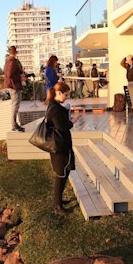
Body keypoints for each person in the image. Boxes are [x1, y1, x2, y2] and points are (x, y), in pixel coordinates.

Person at [45, 82, 75, 215]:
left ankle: (59, 201)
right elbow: (61, 126)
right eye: (66, 95)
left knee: (65, 172)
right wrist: (71, 123)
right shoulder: (55, 108)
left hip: (61, 146)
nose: (66, 97)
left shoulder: (56, 106)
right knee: (60, 175)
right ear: (58, 93)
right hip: (58, 147)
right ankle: (57, 206)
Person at [4, 45, 25, 132]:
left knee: (14, 105)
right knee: (15, 105)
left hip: (12, 85)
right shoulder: (12, 61)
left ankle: (14, 124)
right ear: (15, 52)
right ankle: (14, 125)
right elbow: (9, 74)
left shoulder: (8, 61)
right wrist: (19, 78)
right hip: (14, 86)